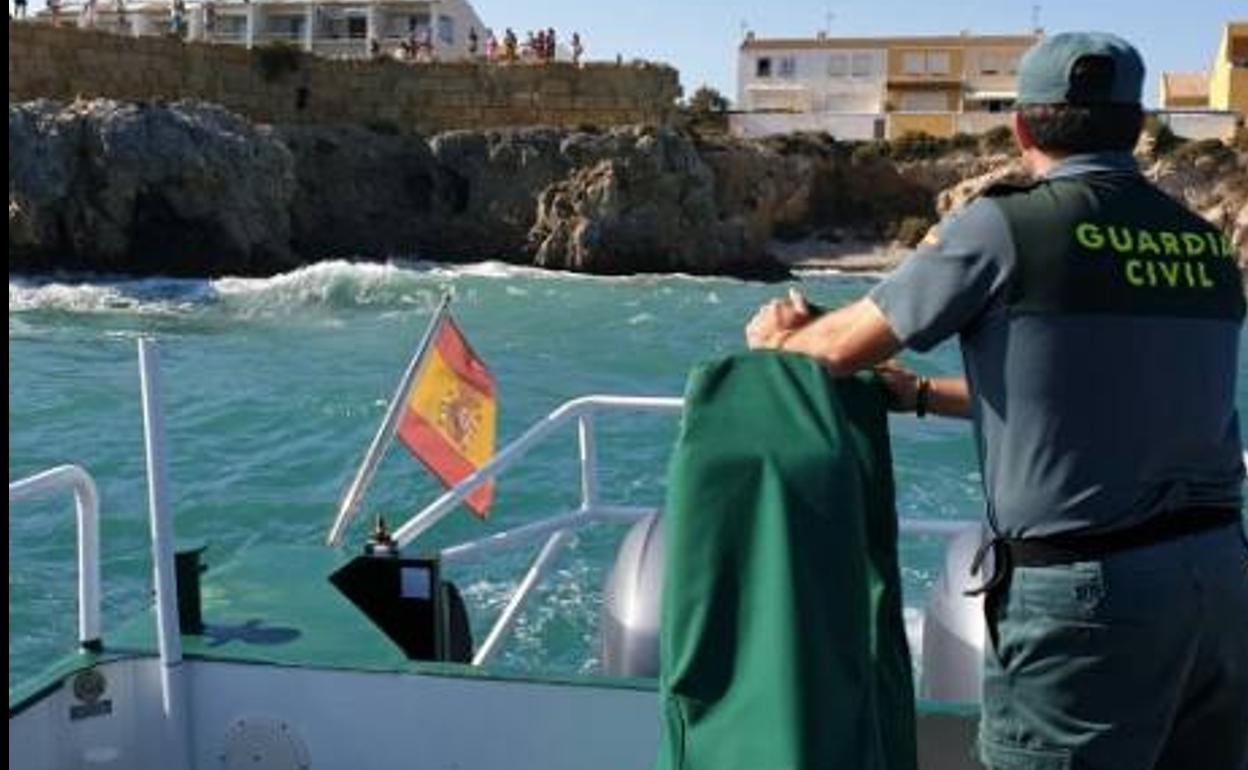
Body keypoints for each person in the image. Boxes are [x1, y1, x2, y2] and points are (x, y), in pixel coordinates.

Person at [745, 32, 1247, 770]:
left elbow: (835, 349)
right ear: (1137, 128)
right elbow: (1085, 401)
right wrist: (916, 396)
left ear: (1021, 126)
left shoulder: (1007, 226)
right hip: (1219, 582)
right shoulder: (1203, 246)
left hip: (1088, 602)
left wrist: (776, 339)